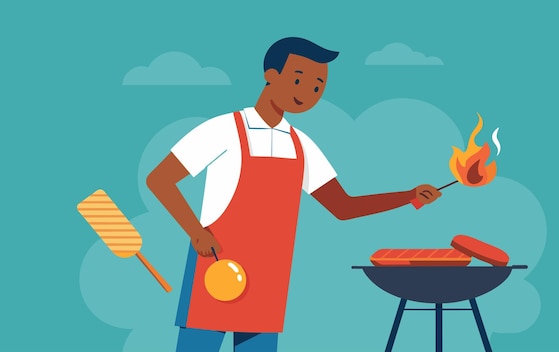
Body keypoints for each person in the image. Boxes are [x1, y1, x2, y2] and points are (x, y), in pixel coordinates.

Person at [147, 37, 441, 352]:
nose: (306, 92)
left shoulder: (301, 145)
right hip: (216, 269)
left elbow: (342, 206)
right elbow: (160, 179)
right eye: (298, 79)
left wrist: (408, 195)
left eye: (317, 86)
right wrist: (195, 231)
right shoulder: (225, 130)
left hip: (268, 280)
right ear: (271, 75)